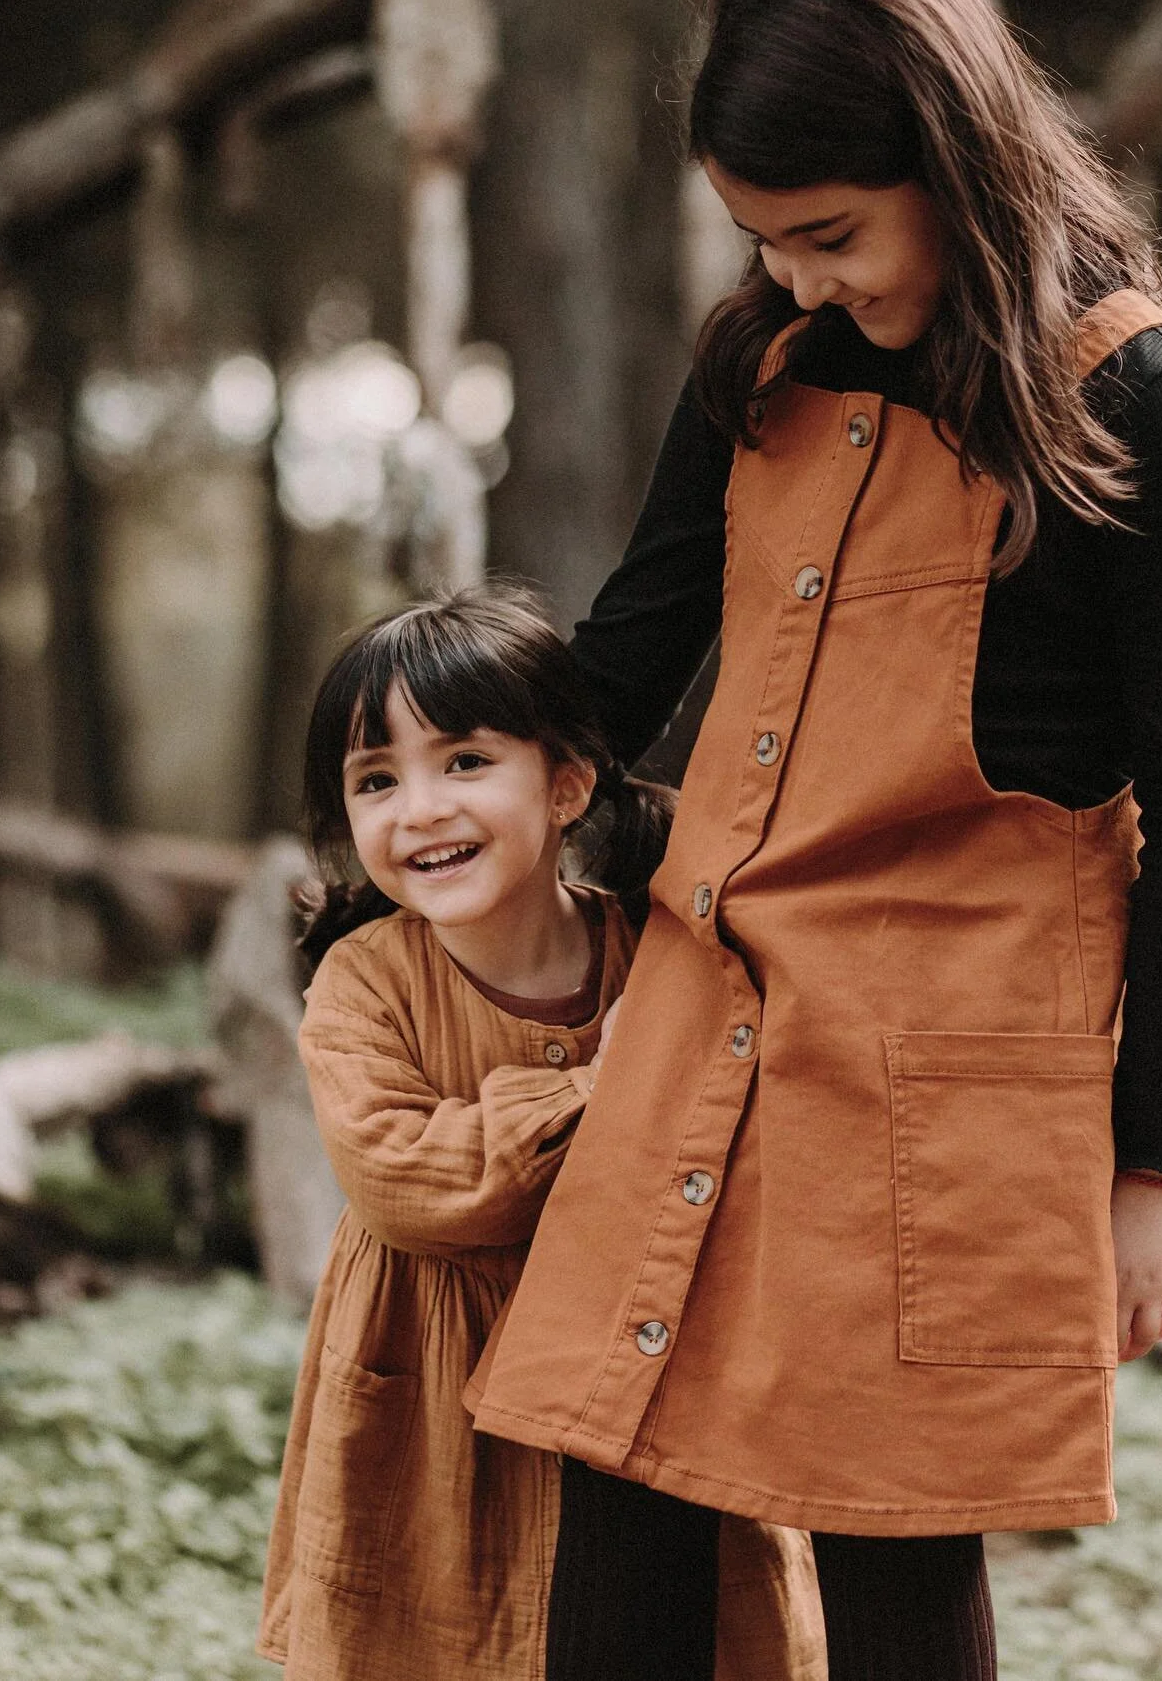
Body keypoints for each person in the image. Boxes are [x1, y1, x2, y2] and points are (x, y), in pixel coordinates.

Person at [467, 0, 1162, 1681]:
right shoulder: (759, 369)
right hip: (703, 1028)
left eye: (830, 234)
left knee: (889, 1548)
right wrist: (435, 771)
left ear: (954, 162)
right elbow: (623, 660)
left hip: (940, 1091)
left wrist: (1159, 1167)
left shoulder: (1133, 400)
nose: (804, 278)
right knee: (616, 1474)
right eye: (764, 239)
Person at [257, 586, 828, 1681]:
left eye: (464, 761)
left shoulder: (658, 957)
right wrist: (603, 1089)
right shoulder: (363, 984)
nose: (418, 808)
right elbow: (406, 1181)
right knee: (448, 1640)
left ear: (565, 783)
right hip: (435, 1406)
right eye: (376, 780)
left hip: (651, 1377)